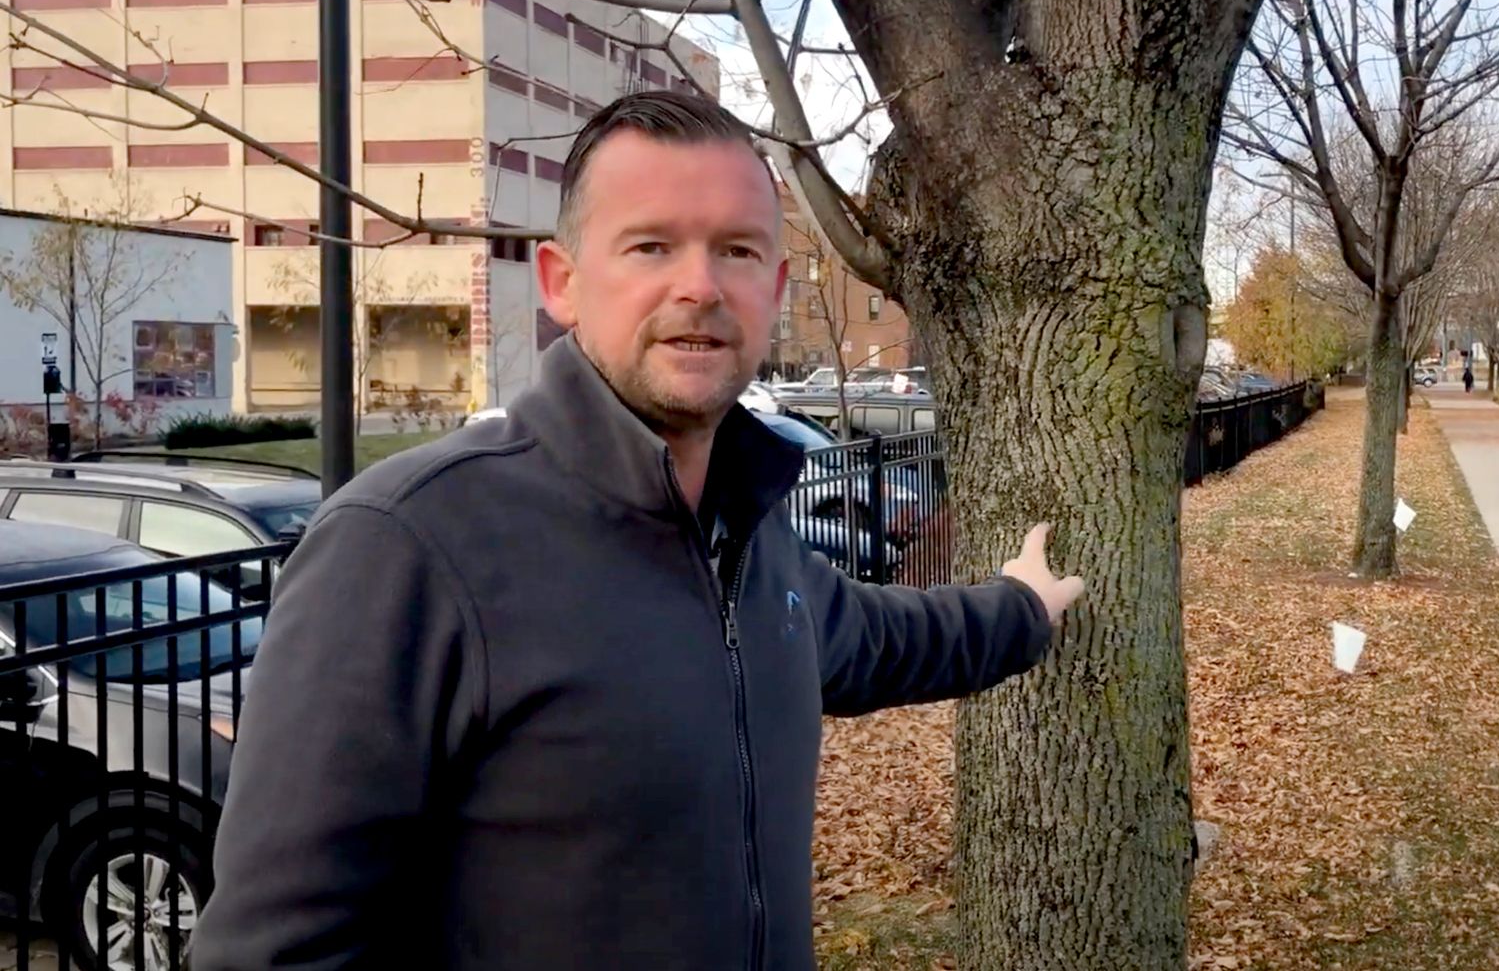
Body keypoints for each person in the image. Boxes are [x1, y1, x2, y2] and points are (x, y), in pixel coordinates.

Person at [192, 92, 1085, 970]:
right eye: (651, 245)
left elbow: (878, 639)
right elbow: (274, 952)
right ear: (562, 283)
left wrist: (1022, 608)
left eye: (737, 250)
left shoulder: (747, 530)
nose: (699, 285)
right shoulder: (407, 544)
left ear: (774, 289)